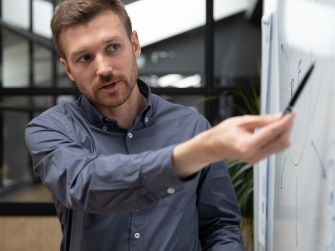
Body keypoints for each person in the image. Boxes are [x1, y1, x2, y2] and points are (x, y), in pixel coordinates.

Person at [25, 0, 294, 250]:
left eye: (113, 47)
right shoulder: (50, 129)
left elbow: (219, 226)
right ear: (69, 69)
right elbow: (85, 183)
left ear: (134, 44)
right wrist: (197, 152)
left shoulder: (192, 127)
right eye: (84, 58)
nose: (103, 68)